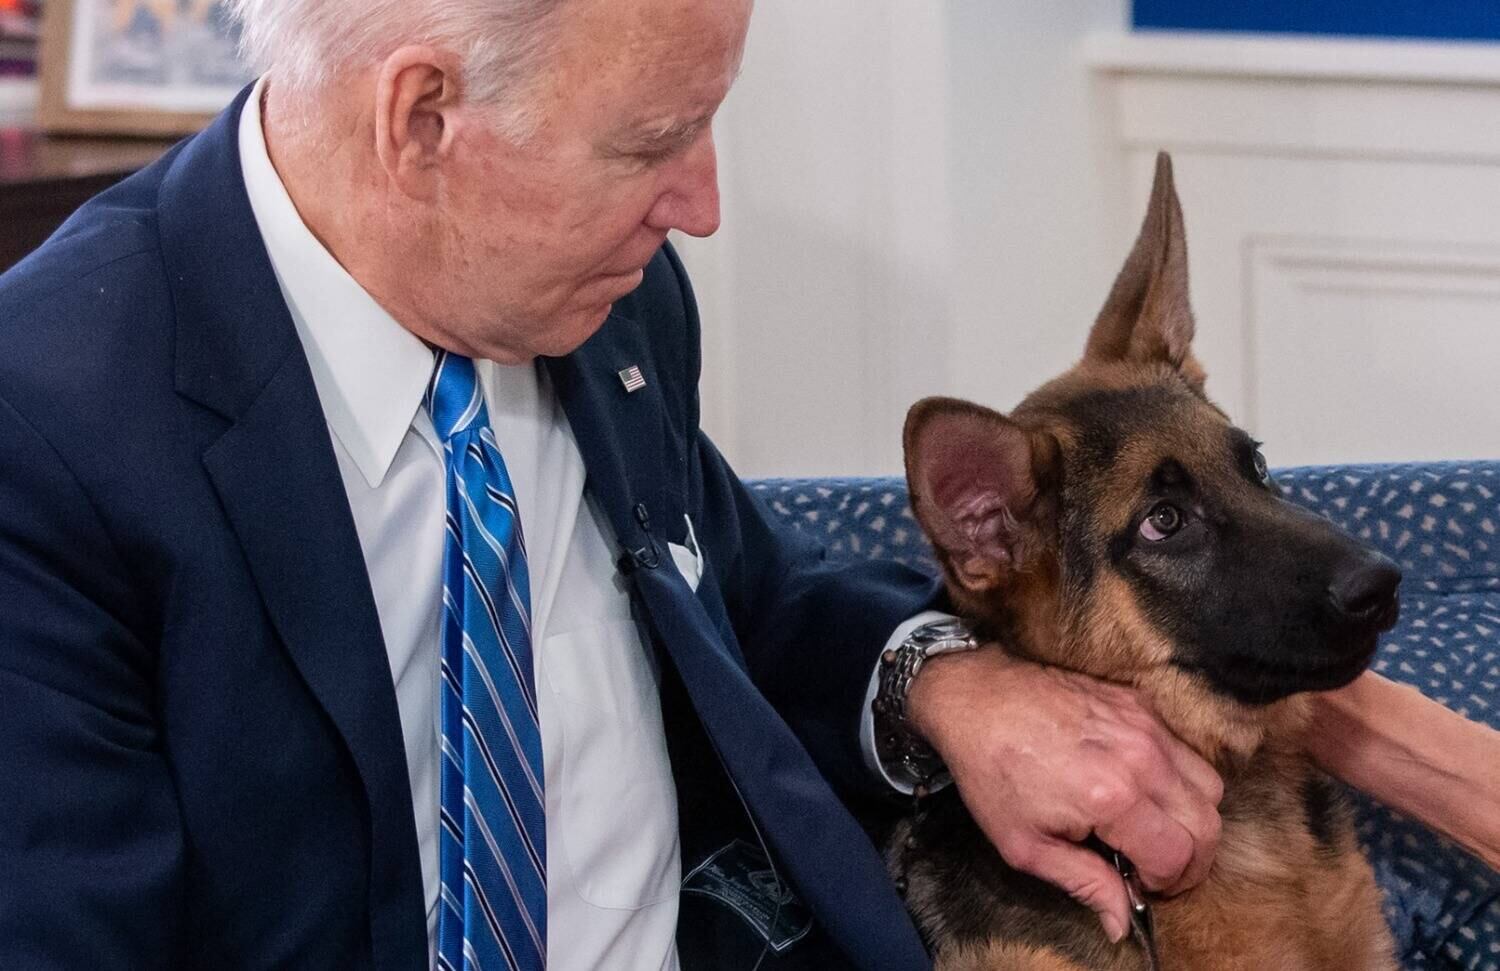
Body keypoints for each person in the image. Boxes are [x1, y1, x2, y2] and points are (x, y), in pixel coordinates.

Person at [0, 0, 1494, 968]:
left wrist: (945, 686)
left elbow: (748, 589)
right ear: (421, 122)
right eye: (653, 143)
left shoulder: (606, 300)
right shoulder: (54, 430)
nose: (701, 205)